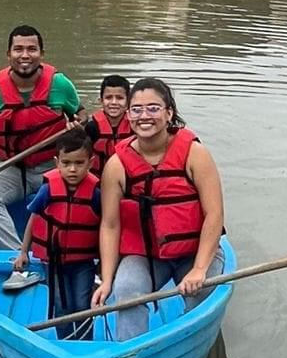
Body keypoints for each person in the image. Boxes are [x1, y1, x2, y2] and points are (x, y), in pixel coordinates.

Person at [91, 76, 224, 340]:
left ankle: (188, 340)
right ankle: (132, 354)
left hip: (193, 251)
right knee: (126, 289)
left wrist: (198, 269)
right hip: (147, 255)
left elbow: (214, 214)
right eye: (137, 110)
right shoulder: (117, 165)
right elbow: (110, 224)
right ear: (128, 115)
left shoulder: (195, 153)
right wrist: (107, 279)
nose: (144, 116)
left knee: (201, 289)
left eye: (153, 108)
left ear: (169, 113)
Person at [0, 25, 82, 290]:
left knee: (88, 194)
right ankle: (20, 263)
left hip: (53, 168)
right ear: (9, 54)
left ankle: (80, 261)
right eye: (19, 49)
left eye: (31, 49)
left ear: (41, 53)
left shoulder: (60, 85)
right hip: (11, 169)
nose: (25, 55)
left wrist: (78, 127)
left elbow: (81, 115)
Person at [11, 127, 101, 339]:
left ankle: (85, 344)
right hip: (53, 262)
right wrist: (23, 252)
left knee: (82, 302)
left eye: (79, 163)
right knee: (61, 304)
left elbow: (107, 226)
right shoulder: (47, 190)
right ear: (56, 162)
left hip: (84, 262)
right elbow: (34, 219)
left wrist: (106, 265)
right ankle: (66, 342)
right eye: (66, 163)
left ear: (91, 162)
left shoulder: (96, 194)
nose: (72, 169)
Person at [84, 74, 131, 176]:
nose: (114, 102)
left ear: (128, 102)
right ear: (101, 101)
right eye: (108, 98)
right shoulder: (92, 128)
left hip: (126, 178)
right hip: (98, 180)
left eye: (119, 98)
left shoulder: (134, 126)